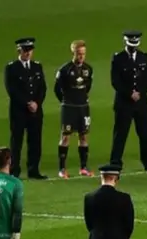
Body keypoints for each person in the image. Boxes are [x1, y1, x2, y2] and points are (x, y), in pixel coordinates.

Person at [109, 31, 147, 172]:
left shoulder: (144, 57)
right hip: (124, 103)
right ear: (126, 42)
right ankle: (115, 163)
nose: (133, 47)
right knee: (120, 134)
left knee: (145, 134)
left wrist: (140, 93)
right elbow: (115, 81)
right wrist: (129, 93)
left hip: (141, 103)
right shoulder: (118, 58)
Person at [4, 38, 47, 180]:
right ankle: (14, 170)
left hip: (35, 111)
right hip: (19, 111)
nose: (28, 53)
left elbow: (42, 88)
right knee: (17, 142)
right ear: (19, 51)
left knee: (35, 141)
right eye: (25, 50)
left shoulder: (37, 67)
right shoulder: (11, 68)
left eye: (30, 50)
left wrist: (37, 103)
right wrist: (28, 103)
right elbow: (12, 90)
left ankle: (33, 170)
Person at [54, 40, 94, 179]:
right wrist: (66, 101)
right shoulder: (65, 70)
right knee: (65, 136)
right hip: (69, 108)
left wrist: (81, 98)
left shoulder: (88, 69)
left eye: (83, 54)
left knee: (83, 136)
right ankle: (62, 169)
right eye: (79, 54)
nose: (81, 57)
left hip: (83, 107)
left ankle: (83, 167)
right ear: (73, 53)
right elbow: (57, 89)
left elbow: (88, 86)